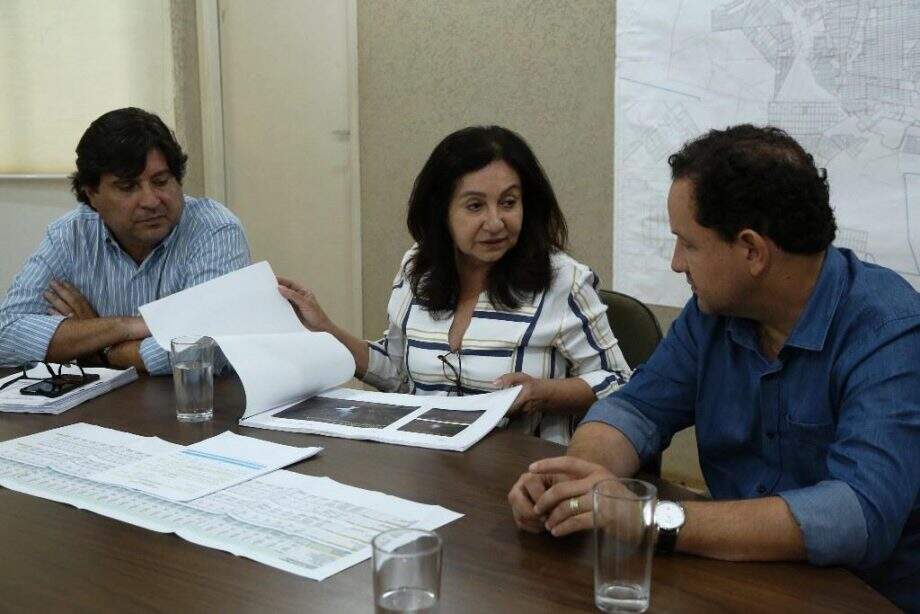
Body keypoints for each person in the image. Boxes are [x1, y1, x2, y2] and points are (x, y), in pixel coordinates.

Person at [507, 124, 920, 610]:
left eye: (688, 243)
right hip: (733, 579)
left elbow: (858, 516)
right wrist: (576, 484)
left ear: (751, 251)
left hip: (864, 599)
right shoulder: (712, 317)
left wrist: (649, 518)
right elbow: (634, 411)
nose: (677, 264)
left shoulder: (889, 330)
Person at [280, 126, 631, 443]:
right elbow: (401, 374)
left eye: (508, 203)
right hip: (428, 466)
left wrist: (545, 393)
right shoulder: (418, 268)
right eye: (475, 206)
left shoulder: (562, 279)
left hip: (522, 477)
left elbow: (621, 382)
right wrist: (325, 329)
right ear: (441, 211)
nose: (495, 222)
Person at [0, 107, 250, 374]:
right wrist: (121, 326)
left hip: (197, 410)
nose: (151, 201)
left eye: (161, 181)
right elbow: (6, 334)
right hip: (105, 407)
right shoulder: (70, 236)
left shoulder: (214, 231)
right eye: (128, 187)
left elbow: (203, 350)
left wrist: (102, 348)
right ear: (92, 194)